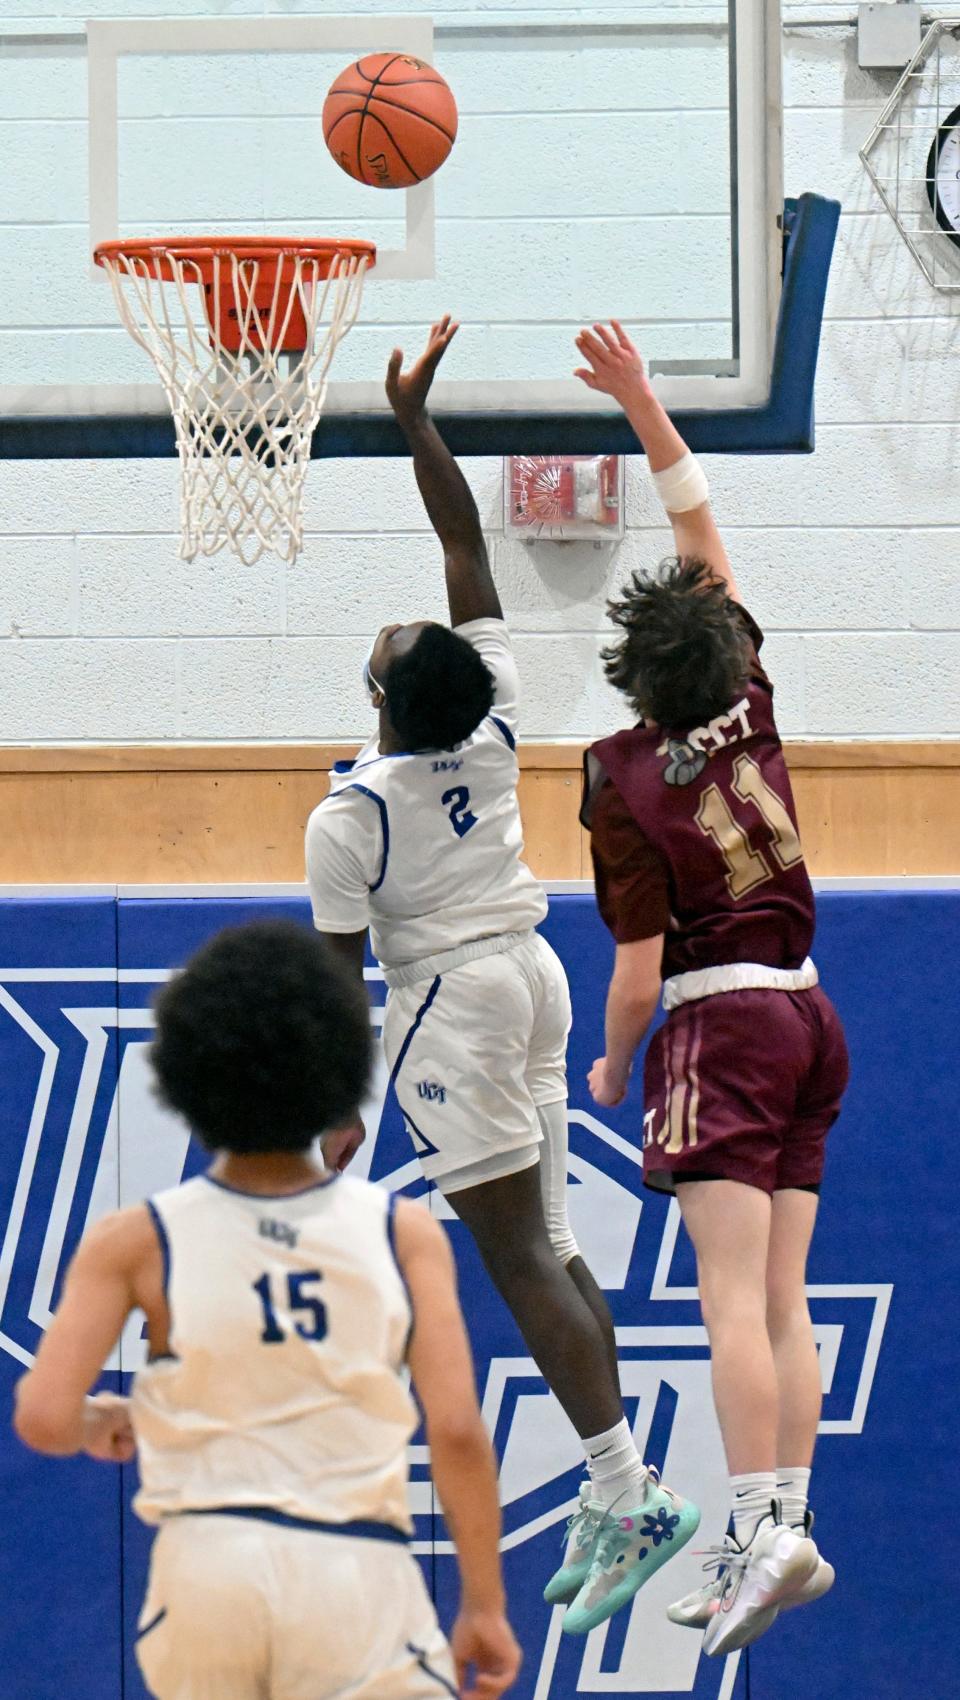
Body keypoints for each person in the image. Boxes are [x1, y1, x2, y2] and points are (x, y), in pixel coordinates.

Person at [305, 317, 698, 1635]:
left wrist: (331, 1100)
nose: (421, 612)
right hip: (532, 972)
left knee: (522, 1263)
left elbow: (331, 967)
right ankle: (625, 1480)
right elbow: (464, 546)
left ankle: (624, 1487)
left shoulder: (353, 807)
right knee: (560, 1247)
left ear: (381, 698)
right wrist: (418, 427)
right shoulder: (494, 708)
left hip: (452, 1007)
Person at [13, 919, 521, 1700]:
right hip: (357, 1573)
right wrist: (483, 1604)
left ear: (188, 1073)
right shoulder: (403, 1233)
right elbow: (455, 1430)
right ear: (340, 1070)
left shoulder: (135, 1240)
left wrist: (100, 1421)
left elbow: (44, 1417)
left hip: (204, 1573)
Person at [574, 321, 849, 1658]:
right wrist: (646, 407)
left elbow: (634, 971)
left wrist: (617, 1066)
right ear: (724, 654)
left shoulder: (620, 773)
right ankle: (775, 1529)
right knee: (781, 1301)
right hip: (808, 1010)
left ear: (634, 671)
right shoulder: (752, 698)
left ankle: (758, 1528)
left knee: (728, 1306)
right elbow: (703, 535)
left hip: (720, 1022)